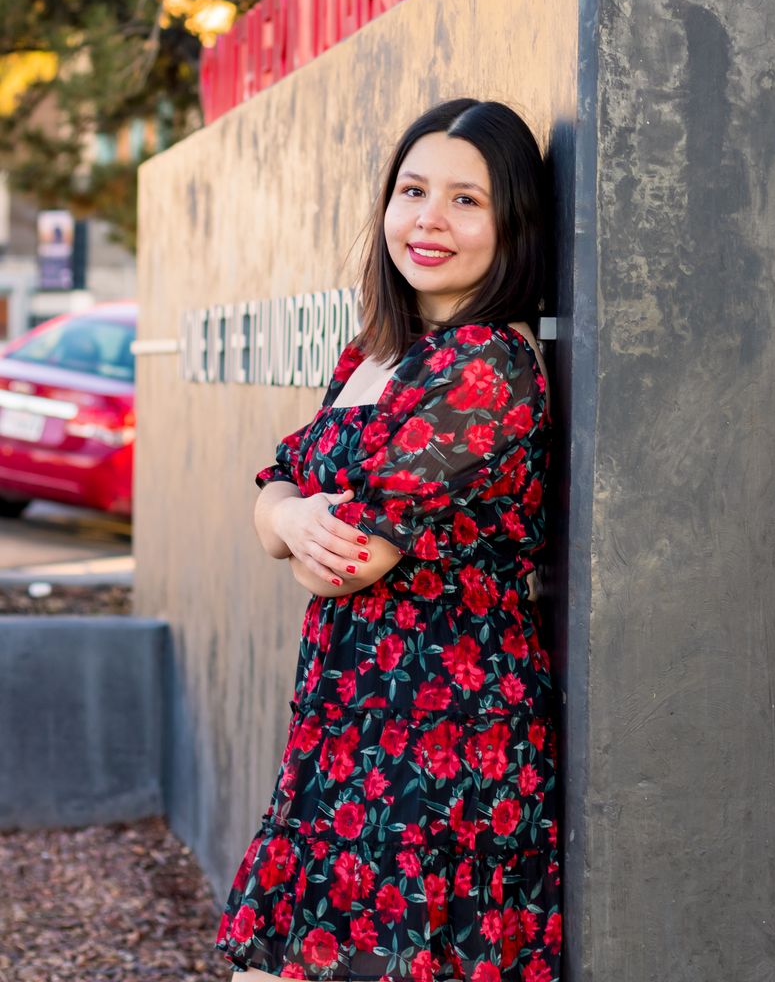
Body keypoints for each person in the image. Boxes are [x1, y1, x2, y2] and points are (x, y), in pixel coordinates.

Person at [216, 98, 561, 982]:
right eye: (412, 191)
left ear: (514, 222)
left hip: (438, 735)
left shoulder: (487, 366)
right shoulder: (377, 352)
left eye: (466, 200)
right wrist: (293, 515)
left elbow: (347, 565)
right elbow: (274, 502)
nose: (428, 220)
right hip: (349, 721)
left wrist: (295, 517)